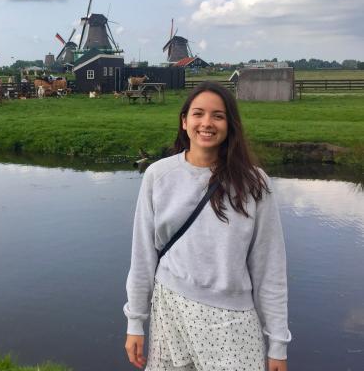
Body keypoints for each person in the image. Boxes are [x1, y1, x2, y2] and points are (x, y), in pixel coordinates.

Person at [124, 81, 291, 371]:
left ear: (230, 125)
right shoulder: (158, 175)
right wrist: (135, 322)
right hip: (170, 311)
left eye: (218, 115)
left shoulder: (254, 183)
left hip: (231, 321)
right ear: (184, 121)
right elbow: (143, 255)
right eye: (198, 113)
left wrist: (277, 343)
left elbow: (269, 267)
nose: (207, 123)